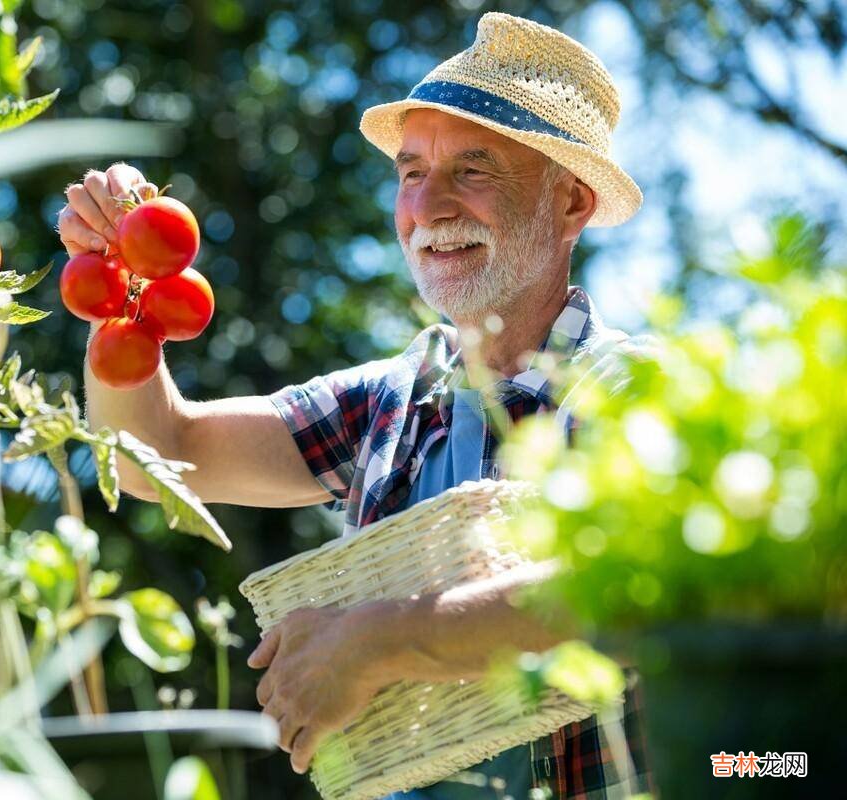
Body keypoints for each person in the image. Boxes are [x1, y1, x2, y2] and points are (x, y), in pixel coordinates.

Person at [57, 12, 655, 798]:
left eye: (472, 171)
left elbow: (638, 591)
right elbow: (163, 453)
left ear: (571, 204)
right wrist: (121, 283)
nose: (428, 206)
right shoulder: (394, 398)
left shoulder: (636, 391)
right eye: (411, 172)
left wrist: (378, 641)